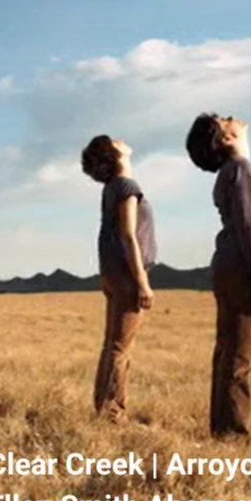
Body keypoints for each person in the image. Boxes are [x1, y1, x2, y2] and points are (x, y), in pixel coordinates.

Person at [185, 113, 251, 437]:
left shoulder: (231, 171)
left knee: (226, 352)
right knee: (238, 357)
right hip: (241, 268)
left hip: (228, 265)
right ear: (226, 138)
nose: (233, 117)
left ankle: (221, 430)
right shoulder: (240, 170)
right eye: (224, 119)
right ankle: (233, 438)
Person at [80, 135, 157, 423]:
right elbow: (128, 236)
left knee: (113, 344)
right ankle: (112, 414)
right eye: (115, 141)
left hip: (115, 273)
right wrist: (142, 281)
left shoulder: (113, 188)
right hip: (127, 275)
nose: (123, 140)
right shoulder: (126, 187)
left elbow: (105, 234)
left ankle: (104, 408)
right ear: (113, 154)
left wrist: (105, 273)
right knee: (120, 347)